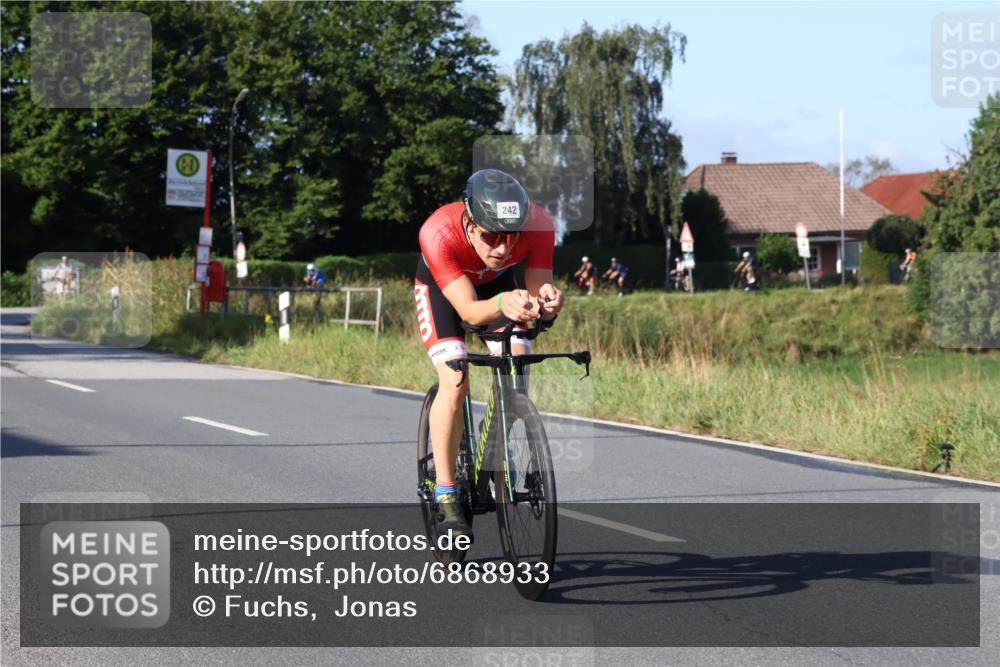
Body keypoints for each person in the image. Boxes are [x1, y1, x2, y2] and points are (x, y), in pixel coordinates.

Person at [414, 169, 563, 540]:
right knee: (455, 379)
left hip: (497, 286)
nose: (501, 248)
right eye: (491, 236)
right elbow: (468, 312)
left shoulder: (540, 224)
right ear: (468, 221)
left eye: (511, 238)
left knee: (517, 363)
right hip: (446, 292)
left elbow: (537, 283)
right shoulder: (438, 231)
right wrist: (503, 303)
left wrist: (547, 301)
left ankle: (493, 444)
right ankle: (446, 491)